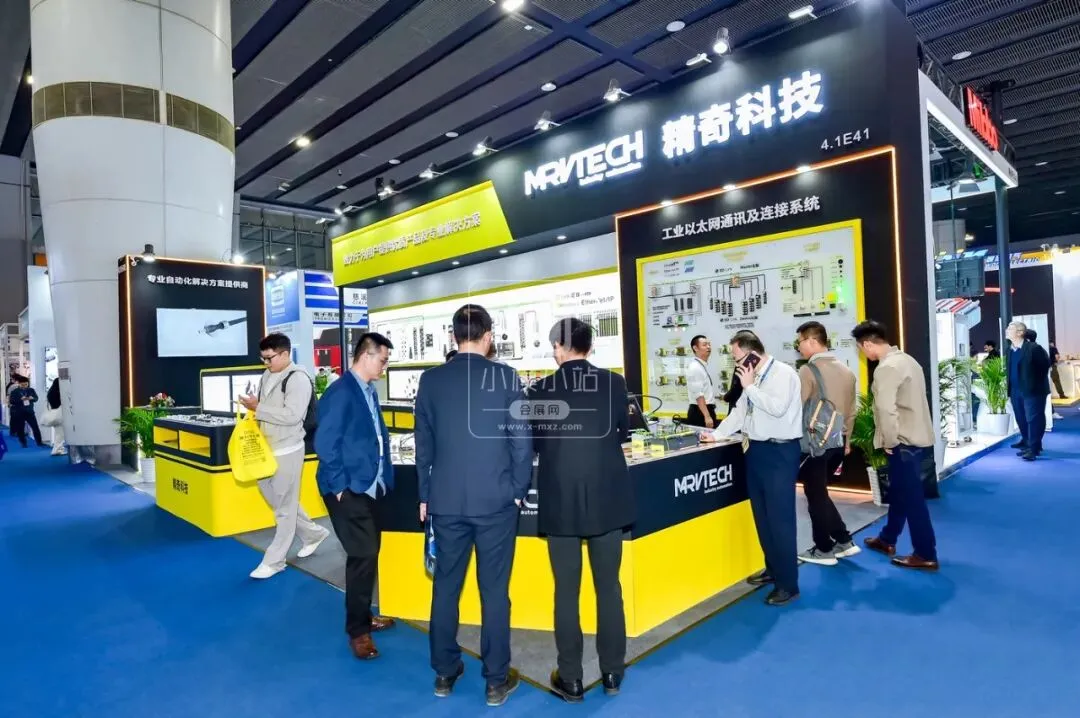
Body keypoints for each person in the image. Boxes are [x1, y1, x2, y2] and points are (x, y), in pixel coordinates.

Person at [414, 304, 532, 707]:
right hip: (496, 501)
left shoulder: (431, 380)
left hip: (446, 501)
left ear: (453, 336)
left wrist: (425, 494)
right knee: (494, 591)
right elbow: (521, 440)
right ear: (488, 336)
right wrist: (518, 489)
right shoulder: (506, 377)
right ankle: (496, 680)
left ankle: (444, 673)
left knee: (446, 587)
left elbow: (423, 444)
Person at [528, 318, 633, 702]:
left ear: (559, 346)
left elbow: (536, 442)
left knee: (566, 591)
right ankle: (613, 672)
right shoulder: (615, 383)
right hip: (607, 497)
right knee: (609, 587)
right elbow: (623, 433)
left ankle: (571, 677)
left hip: (560, 501)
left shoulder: (540, 390)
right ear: (589, 347)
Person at [700, 330, 803, 606]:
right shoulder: (752, 378)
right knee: (763, 516)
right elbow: (739, 414)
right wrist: (716, 434)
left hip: (779, 452)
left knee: (780, 519)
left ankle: (788, 584)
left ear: (752, 354)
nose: (736, 364)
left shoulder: (783, 374)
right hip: (755, 451)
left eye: (737, 358)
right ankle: (773, 568)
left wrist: (749, 388)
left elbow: (777, 408)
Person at [315, 332, 397, 659]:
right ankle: (358, 632)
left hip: (371, 485)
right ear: (366, 355)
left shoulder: (368, 390)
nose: (384, 367)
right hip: (347, 488)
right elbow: (325, 444)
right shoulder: (340, 393)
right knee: (363, 554)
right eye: (383, 360)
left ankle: (363, 616)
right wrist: (339, 487)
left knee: (368, 554)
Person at [239, 333, 329, 580]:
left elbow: (292, 416)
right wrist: (253, 408)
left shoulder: (298, 378)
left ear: (286, 354)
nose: (266, 363)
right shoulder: (267, 375)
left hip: (288, 449)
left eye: (269, 358)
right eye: (263, 358)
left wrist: (258, 408)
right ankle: (313, 533)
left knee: (284, 510)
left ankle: (274, 561)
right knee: (280, 501)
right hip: (265, 450)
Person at [851, 320, 939, 571]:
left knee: (913, 500)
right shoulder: (908, 360)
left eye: (861, 348)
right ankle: (887, 539)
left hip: (902, 442)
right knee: (901, 493)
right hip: (916, 439)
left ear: (868, 344)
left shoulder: (887, 368)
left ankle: (925, 553)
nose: (863, 353)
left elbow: (886, 409)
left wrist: (889, 441)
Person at [793, 322, 860, 566]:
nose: (798, 347)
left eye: (800, 341)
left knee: (815, 496)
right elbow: (851, 412)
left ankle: (824, 549)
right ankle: (843, 540)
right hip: (837, 442)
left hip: (814, 443)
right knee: (819, 493)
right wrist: (847, 441)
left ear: (812, 341)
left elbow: (796, 408)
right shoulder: (847, 371)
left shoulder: (808, 371)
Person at [1006, 322, 1051, 461]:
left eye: (1010, 328)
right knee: (1021, 418)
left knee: (1034, 419)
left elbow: (1045, 365)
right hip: (1015, 390)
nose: (1007, 330)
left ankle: (1034, 448)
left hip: (1033, 390)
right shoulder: (1010, 350)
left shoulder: (1033, 348)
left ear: (1020, 332)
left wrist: (1033, 382)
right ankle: (1027, 441)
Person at [684, 335, 717, 429]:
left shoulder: (701, 366)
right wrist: (707, 416)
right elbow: (698, 395)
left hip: (705, 410)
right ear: (695, 348)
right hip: (700, 413)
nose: (708, 347)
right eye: (704, 345)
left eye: (709, 344)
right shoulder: (695, 367)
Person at [9, 378, 45, 448]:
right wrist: (20, 399)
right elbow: (12, 401)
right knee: (20, 428)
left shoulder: (31, 390)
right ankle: (23, 443)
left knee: (35, 427)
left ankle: (39, 442)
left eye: (26, 384)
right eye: (22, 385)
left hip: (30, 412)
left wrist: (32, 398)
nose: (24, 386)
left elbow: (36, 398)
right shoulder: (15, 391)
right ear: (19, 384)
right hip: (19, 413)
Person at [46, 378, 66, 456]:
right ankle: (57, 449)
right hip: (59, 415)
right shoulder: (58, 393)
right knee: (60, 434)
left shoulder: (51, 392)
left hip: (54, 414)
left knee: (58, 433)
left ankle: (58, 449)